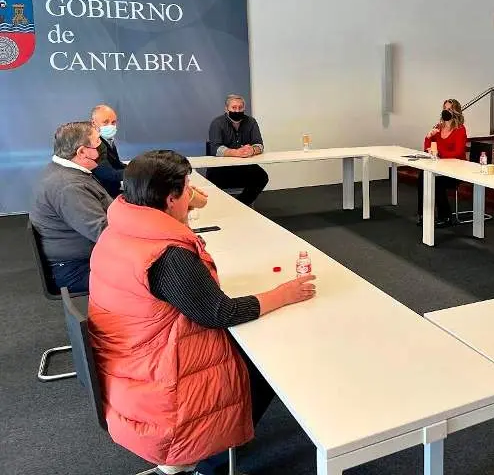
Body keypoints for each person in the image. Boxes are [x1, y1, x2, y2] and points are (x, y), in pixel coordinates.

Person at [87, 150, 316, 475]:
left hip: (128, 362)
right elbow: (220, 312)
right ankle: (209, 458)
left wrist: (186, 203)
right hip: (161, 382)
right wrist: (284, 294)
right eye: (187, 187)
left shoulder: (120, 230)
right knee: (265, 359)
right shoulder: (168, 254)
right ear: (169, 198)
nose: (192, 193)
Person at [29, 122, 112, 293]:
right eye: (98, 142)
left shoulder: (64, 171)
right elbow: (104, 233)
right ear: (81, 151)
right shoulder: (69, 186)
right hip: (76, 270)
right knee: (153, 276)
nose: (102, 146)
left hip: (80, 258)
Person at [207, 94, 269, 206]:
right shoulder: (217, 123)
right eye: (234, 108)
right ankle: (222, 208)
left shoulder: (251, 122)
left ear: (244, 108)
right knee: (212, 182)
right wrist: (236, 152)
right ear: (226, 109)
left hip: (244, 167)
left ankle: (240, 205)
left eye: (240, 108)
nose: (237, 110)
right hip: (221, 168)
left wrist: (252, 150)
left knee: (262, 177)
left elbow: (259, 145)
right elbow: (215, 149)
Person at [417, 99, 468, 227]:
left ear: (456, 112)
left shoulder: (460, 130)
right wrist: (428, 137)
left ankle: (445, 217)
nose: (446, 111)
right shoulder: (438, 127)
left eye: (450, 109)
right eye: (445, 108)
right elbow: (427, 147)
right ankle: (423, 214)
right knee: (422, 176)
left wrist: (439, 153)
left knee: (437, 182)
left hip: (456, 170)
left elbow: (458, 152)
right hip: (440, 167)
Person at [90, 104, 126, 198]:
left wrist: (136, 166)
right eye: (105, 122)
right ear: (94, 123)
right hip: (106, 195)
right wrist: (137, 172)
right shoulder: (94, 145)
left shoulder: (108, 140)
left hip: (114, 189)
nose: (110, 126)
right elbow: (110, 174)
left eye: (113, 122)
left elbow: (117, 164)